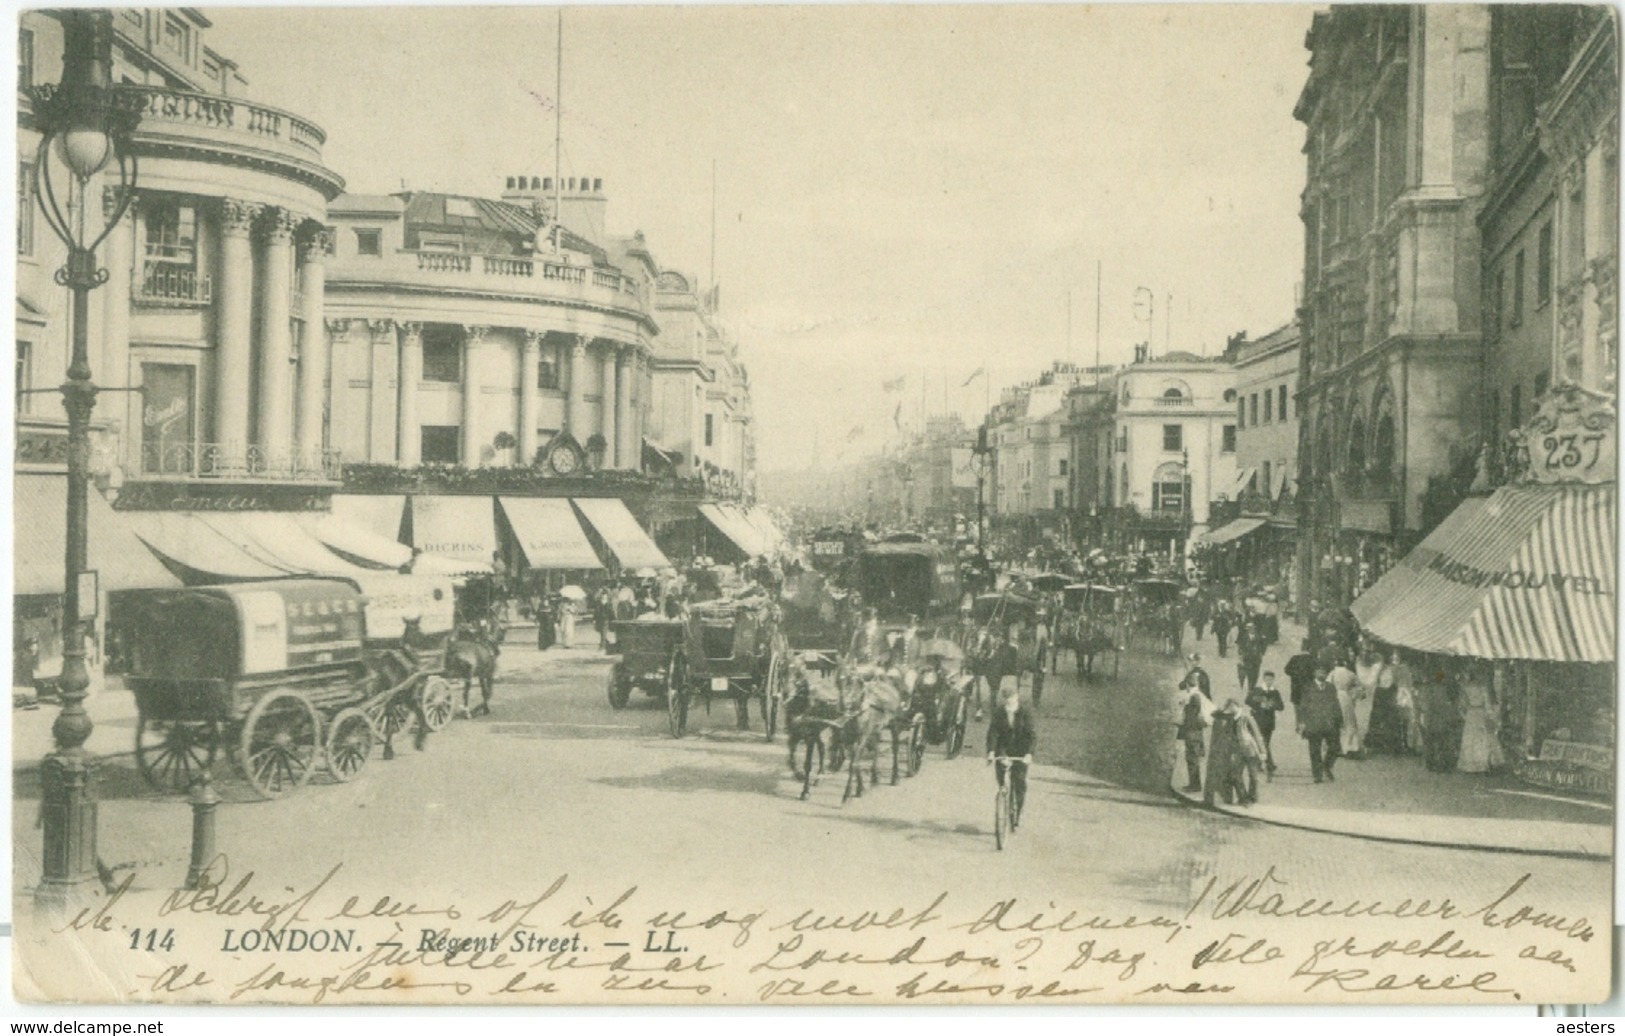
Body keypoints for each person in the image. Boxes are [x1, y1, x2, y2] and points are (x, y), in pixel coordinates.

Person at [986, 683, 1036, 827]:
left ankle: (1018, 811)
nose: (1009, 703)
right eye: (1007, 700)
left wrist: (1029, 754)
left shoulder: (1025, 712)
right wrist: (991, 752)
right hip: (1004, 749)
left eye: (1012, 700)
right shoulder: (999, 712)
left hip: (1021, 750)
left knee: (1019, 782)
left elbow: (1032, 735)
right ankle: (1002, 790)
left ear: (1017, 698)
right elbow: (993, 733)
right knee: (1001, 771)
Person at [1298, 664, 1343, 783]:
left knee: (1335, 747)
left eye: (1324, 672)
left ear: (1327, 674)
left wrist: (1339, 720)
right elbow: (1303, 706)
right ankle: (1317, 774)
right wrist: (1302, 722)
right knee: (1314, 750)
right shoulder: (1307, 687)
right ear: (1314, 673)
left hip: (1329, 723)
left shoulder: (1331, 687)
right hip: (1313, 723)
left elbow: (1336, 703)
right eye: (1319, 672)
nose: (1321, 674)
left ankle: (1327, 766)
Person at [1456, 665, 1505, 774]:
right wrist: (1490, 715)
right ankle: (1481, 764)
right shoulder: (1482, 687)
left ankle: (1469, 765)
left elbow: (1462, 704)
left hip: (1471, 714)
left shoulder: (1465, 687)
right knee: (1481, 739)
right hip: (1480, 712)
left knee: (1470, 739)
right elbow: (1486, 702)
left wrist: (1465, 715)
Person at [1419, 668, 1462, 772]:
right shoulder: (1442, 689)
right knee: (1442, 742)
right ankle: (1441, 763)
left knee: (1432, 742)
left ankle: (1432, 763)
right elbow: (1444, 705)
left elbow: (1428, 704)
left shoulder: (1431, 689)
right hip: (1440, 719)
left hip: (1433, 719)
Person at [1245, 669, 1285, 776]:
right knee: (1263, 743)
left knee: (1264, 742)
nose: (1269, 682)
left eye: (1271, 680)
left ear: (1273, 680)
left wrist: (1272, 705)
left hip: (1269, 722)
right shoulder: (1257, 690)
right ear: (1263, 679)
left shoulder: (1275, 692)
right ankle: (1269, 764)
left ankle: (1258, 764)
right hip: (1257, 720)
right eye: (1267, 679)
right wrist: (1259, 705)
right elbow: (1247, 700)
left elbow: (1281, 706)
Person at [1328, 654, 1361, 757]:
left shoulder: (1333, 673)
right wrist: (1354, 696)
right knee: (1349, 721)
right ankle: (1351, 746)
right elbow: (1359, 687)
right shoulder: (1350, 674)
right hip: (1346, 697)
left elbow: (1327, 684)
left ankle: (1339, 747)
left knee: (1337, 722)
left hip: (1335, 696)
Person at [1284, 638, 1317, 710]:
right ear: (1310, 649)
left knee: (1297, 710)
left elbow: (1286, 670)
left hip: (1296, 688)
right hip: (1309, 688)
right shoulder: (1313, 659)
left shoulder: (1295, 658)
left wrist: (1295, 674)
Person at [1235, 620, 1266, 695]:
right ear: (1248, 630)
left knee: (1256, 675)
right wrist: (1241, 655)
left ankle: (1252, 686)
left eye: (1254, 629)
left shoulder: (1258, 637)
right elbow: (1240, 647)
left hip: (1257, 659)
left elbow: (1263, 645)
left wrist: (1261, 652)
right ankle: (1250, 689)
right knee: (1250, 674)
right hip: (1247, 659)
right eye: (1251, 629)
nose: (1253, 630)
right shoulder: (1244, 637)